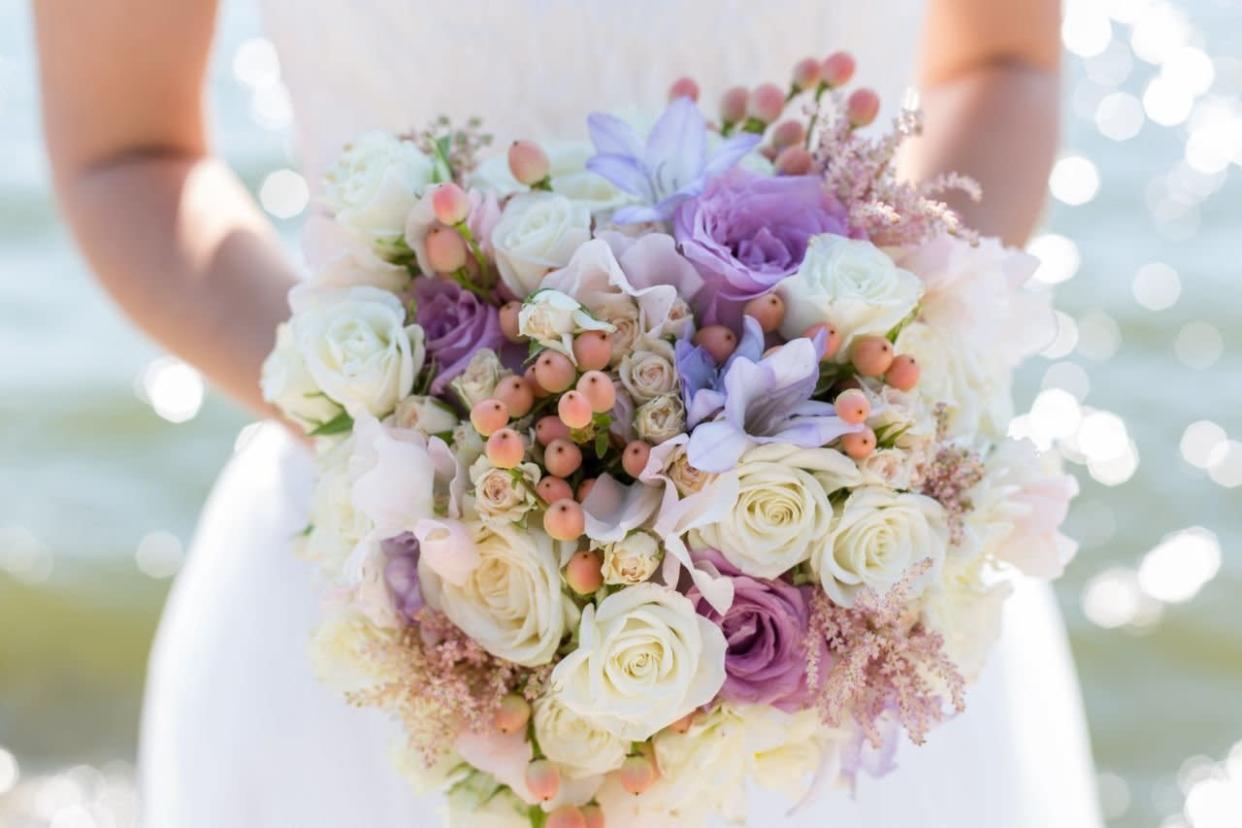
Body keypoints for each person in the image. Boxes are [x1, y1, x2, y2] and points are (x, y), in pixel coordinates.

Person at [34, 0, 1102, 825]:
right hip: (404, 576)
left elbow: (1004, 64)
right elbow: (126, 152)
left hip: (855, 598)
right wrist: (428, 441)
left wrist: (874, 390)